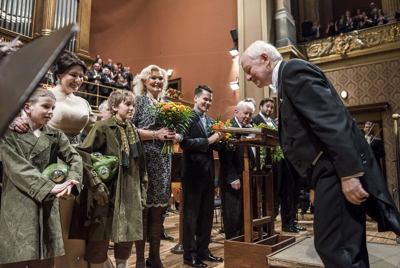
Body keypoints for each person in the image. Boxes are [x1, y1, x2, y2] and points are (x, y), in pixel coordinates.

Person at [241, 40, 400, 267]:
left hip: (336, 171)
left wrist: (349, 174)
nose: (248, 77)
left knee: (337, 247)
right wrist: (315, 184)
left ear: (265, 59)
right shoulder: (286, 80)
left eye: (249, 70)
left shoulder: (293, 71)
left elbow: (331, 121)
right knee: (339, 245)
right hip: (329, 172)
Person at [0, 88, 82, 267]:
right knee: (15, 257)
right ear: (28, 107)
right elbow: (17, 167)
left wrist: (72, 180)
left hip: (47, 204)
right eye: (46, 107)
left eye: (53, 108)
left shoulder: (56, 135)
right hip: (17, 202)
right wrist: (47, 187)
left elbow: (75, 158)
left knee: (44, 260)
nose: (51, 112)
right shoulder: (8, 134)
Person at [76, 90, 147, 268]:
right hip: (107, 193)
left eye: (133, 105)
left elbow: (141, 166)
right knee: (99, 236)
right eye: (127, 104)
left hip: (130, 192)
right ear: (114, 106)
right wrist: (96, 183)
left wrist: (142, 191)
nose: (132, 108)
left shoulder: (133, 131)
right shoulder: (103, 127)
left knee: (126, 237)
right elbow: (83, 154)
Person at [132, 65, 178, 268]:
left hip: (164, 160)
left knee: (159, 210)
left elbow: (179, 131)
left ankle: (155, 256)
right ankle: (141, 259)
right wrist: (154, 134)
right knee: (143, 211)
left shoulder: (168, 104)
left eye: (160, 78)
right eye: (153, 78)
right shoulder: (138, 102)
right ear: (144, 81)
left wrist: (176, 135)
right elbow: (129, 130)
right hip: (144, 160)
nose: (158, 81)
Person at [180, 85, 224, 268]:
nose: (208, 102)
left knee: (206, 215)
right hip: (192, 173)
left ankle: (203, 250)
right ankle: (189, 255)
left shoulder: (211, 120)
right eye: (205, 99)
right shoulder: (187, 118)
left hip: (208, 174)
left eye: (210, 100)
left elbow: (215, 145)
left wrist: (223, 138)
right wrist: (210, 140)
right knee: (191, 216)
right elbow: (184, 142)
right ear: (196, 98)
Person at [218, 100, 254, 239]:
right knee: (232, 213)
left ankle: (242, 241)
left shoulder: (245, 128)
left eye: (250, 114)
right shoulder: (230, 127)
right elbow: (225, 157)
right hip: (232, 178)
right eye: (245, 113)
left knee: (241, 212)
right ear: (236, 112)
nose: (248, 117)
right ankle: (233, 243)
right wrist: (232, 177)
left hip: (244, 175)